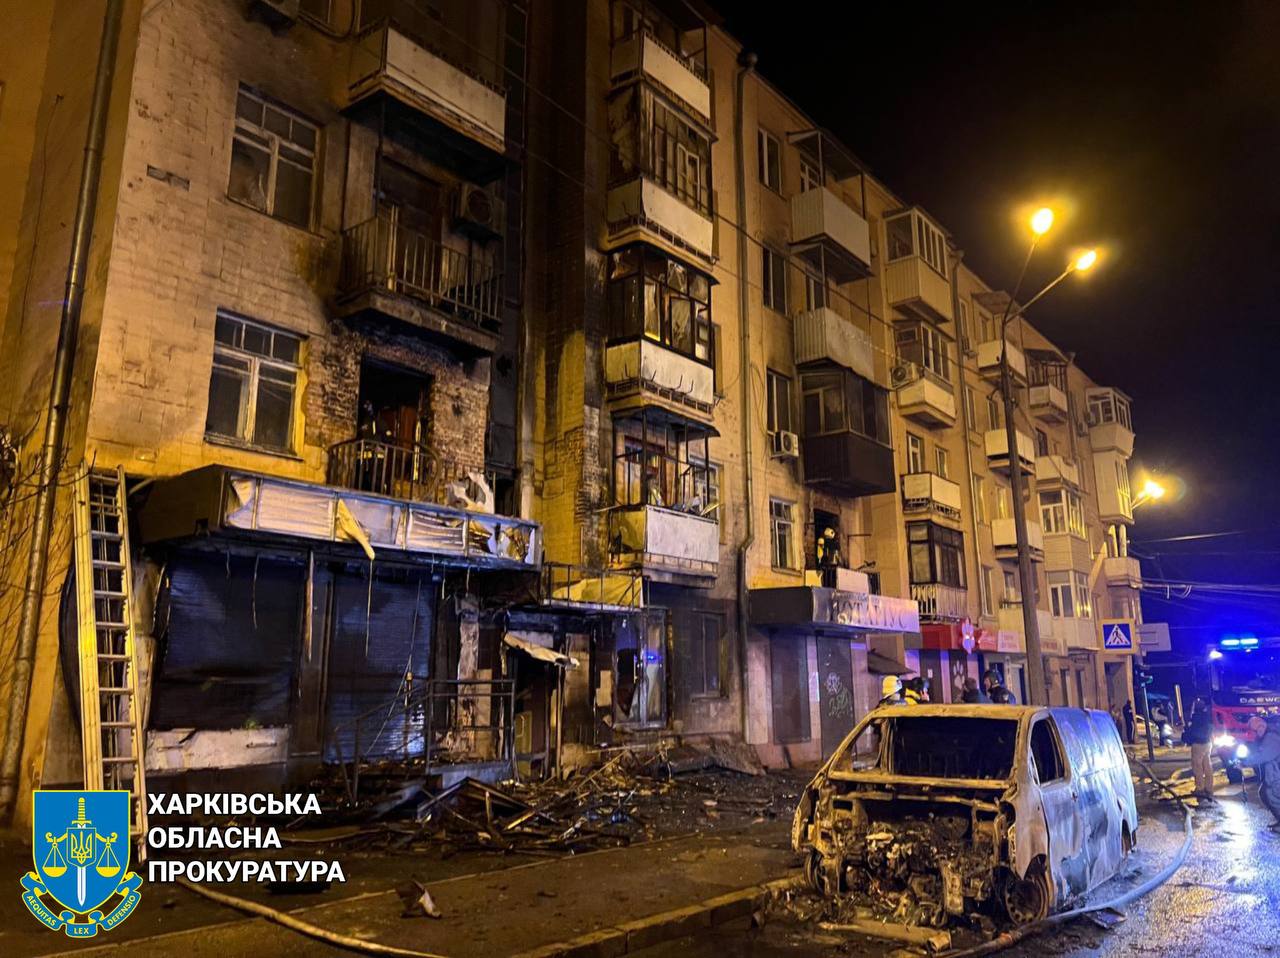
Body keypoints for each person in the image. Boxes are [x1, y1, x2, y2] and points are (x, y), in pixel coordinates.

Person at [1244, 715, 1280, 830]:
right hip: (1274, 772)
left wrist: (1245, 762)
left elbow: (1263, 755)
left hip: (1276, 773)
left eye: (1254, 731)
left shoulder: (1271, 737)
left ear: (1260, 727)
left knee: (1272, 794)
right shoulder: (1268, 734)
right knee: (1264, 792)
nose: (1255, 734)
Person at [1184, 696, 1214, 799]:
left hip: (1198, 744)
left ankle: (1200, 788)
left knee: (1198, 767)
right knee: (1207, 765)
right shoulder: (1207, 716)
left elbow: (1191, 731)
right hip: (1208, 743)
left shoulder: (1195, 717)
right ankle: (1209, 788)